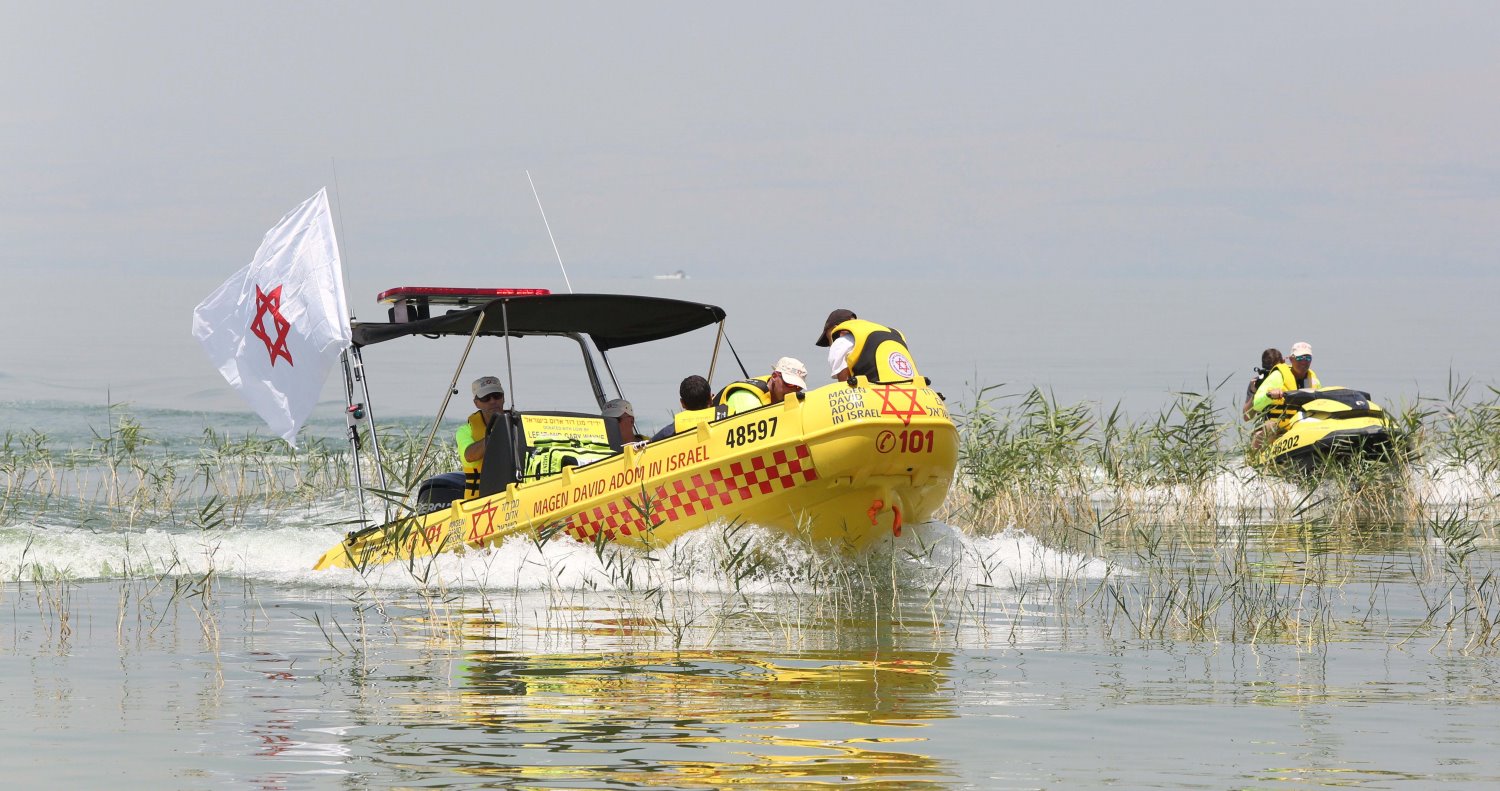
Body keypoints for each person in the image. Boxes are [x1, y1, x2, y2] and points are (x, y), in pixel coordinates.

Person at [815, 308, 921, 383]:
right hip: (912, 391)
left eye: (828, 339)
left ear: (835, 329)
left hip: (875, 397)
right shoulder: (888, 334)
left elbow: (844, 386)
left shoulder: (840, 342)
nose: (830, 345)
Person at [1251, 342, 1321, 445]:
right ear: (1291, 359)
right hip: (1279, 427)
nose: (1304, 362)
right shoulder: (1277, 376)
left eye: (1308, 358)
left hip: (1302, 427)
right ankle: (1254, 459)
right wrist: (1269, 395)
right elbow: (1257, 404)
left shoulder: (1314, 381)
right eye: (1300, 358)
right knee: (1270, 426)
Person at [456, 375, 508, 498]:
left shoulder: (517, 424)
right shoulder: (465, 431)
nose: (492, 401)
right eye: (486, 398)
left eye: (497, 396)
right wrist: (498, 434)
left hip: (511, 497)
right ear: (476, 403)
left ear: (503, 398)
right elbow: (469, 455)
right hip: (478, 501)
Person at [715, 357, 808, 414]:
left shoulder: (775, 390)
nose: (793, 391)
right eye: (790, 384)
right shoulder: (748, 398)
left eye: (798, 387)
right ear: (774, 376)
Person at [649, 375, 715, 442]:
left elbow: (650, 443)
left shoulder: (670, 432)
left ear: (682, 403)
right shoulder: (723, 418)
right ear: (710, 399)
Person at [1241, 347, 1282, 421]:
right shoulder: (1258, 382)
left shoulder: (1289, 378)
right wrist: (1255, 393)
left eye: (1275, 370)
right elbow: (1247, 417)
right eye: (1268, 371)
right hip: (1263, 426)